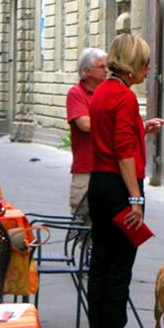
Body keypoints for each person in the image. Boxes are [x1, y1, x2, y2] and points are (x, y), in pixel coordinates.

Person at [85, 33, 164, 328]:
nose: (149, 69)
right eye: (145, 63)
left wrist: (140, 128)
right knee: (119, 266)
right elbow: (123, 151)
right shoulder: (124, 96)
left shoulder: (103, 91)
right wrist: (136, 198)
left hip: (99, 183)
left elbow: (112, 135)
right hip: (120, 185)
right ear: (134, 65)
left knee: (101, 264)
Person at [66, 47, 107, 214]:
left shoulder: (108, 92)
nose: (106, 70)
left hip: (108, 170)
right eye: (102, 67)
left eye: (106, 66)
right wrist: (113, 122)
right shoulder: (76, 93)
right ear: (87, 71)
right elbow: (85, 124)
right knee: (83, 224)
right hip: (86, 170)